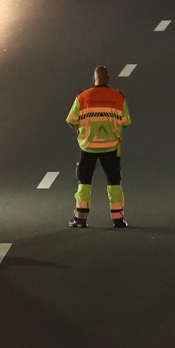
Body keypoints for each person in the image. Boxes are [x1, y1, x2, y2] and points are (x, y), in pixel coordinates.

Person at [67, 65, 131, 229]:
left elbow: (71, 120)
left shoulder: (82, 97)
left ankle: (80, 219)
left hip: (88, 146)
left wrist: (81, 131)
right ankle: (118, 219)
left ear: (93, 79)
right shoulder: (118, 97)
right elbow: (125, 122)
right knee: (114, 180)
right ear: (108, 79)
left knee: (84, 180)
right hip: (111, 146)